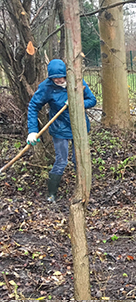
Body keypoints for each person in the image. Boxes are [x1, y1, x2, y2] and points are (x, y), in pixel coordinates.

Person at [26, 59, 97, 202]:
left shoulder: (77, 81)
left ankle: (83, 190)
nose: (58, 80)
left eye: (60, 77)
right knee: (61, 160)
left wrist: (78, 102)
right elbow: (33, 106)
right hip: (59, 129)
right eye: (54, 78)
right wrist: (33, 130)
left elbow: (92, 100)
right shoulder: (46, 87)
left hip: (79, 127)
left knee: (79, 159)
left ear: (66, 74)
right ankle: (51, 194)